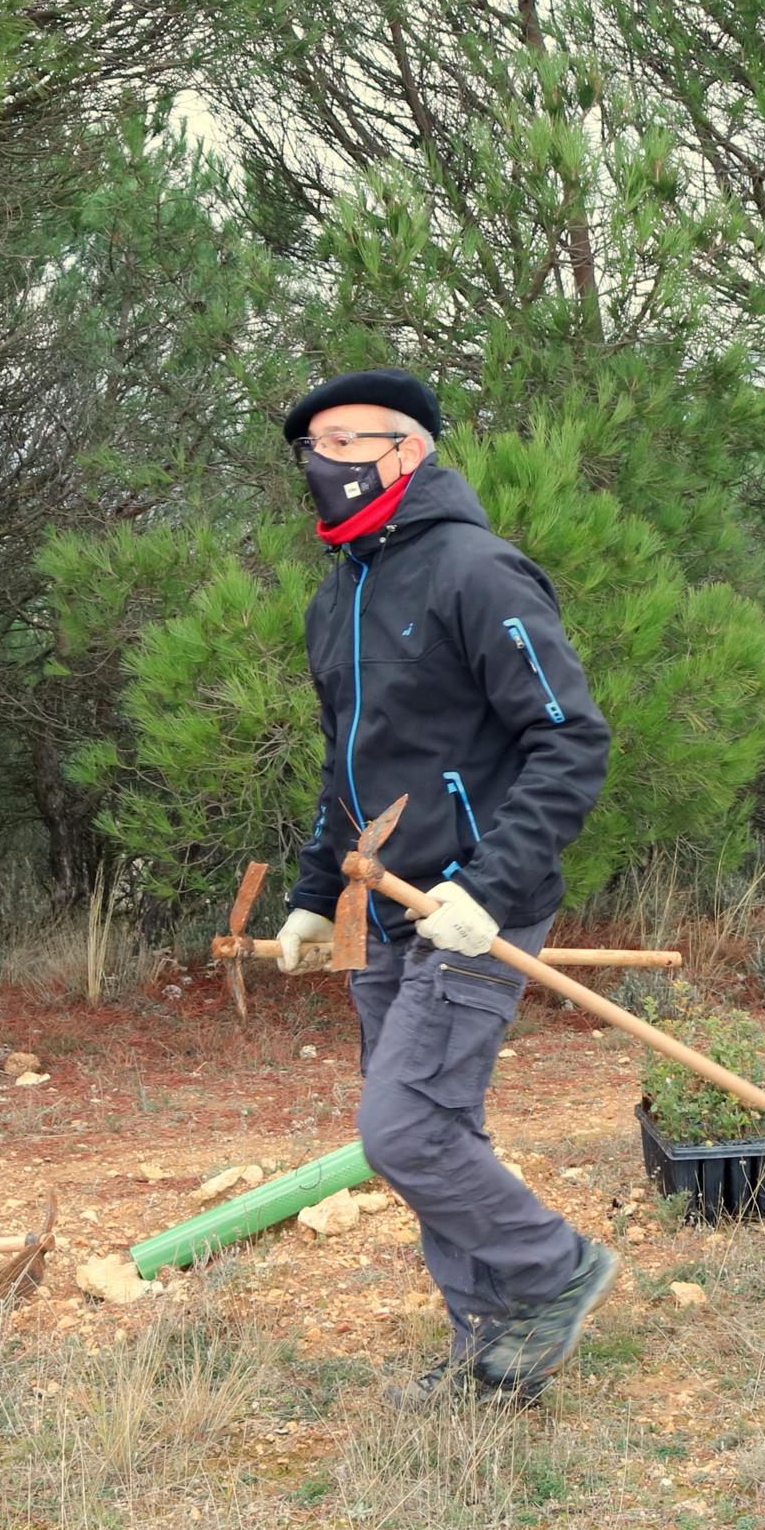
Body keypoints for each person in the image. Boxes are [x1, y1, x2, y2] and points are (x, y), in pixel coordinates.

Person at [260, 369, 619, 1404]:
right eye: (309, 449)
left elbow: (570, 740)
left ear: (405, 452)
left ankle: (557, 1269)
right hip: (380, 910)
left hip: (469, 907)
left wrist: (488, 889)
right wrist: (308, 890)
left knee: (404, 1129)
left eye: (342, 442)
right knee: (436, 1130)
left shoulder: (479, 571)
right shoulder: (340, 596)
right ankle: (491, 1353)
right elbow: (350, 767)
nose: (319, 466)